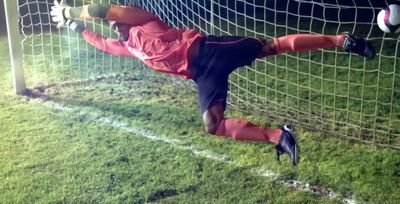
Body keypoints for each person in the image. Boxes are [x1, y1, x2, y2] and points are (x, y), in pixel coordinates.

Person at [50, 1, 376, 166]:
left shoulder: (141, 20)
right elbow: (100, 42)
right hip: (203, 76)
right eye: (113, 27)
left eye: (115, 23)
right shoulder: (128, 47)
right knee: (212, 125)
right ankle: (280, 136)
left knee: (269, 47)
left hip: (208, 50)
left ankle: (341, 40)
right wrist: (74, 27)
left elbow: (104, 9)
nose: (114, 27)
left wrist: (72, 10)